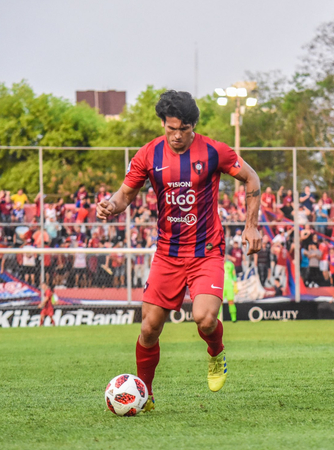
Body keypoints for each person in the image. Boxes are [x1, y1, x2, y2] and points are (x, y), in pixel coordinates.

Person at [96, 90, 261, 411]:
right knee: (148, 327)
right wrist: (110, 207)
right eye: (170, 128)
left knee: (205, 318)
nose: (176, 135)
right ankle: (147, 394)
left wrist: (251, 224)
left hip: (206, 251)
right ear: (163, 124)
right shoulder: (148, 154)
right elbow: (124, 194)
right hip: (167, 255)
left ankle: (216, 353)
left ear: (193, 126)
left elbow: (251, 177)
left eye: (182, 129)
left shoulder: (214, 151)